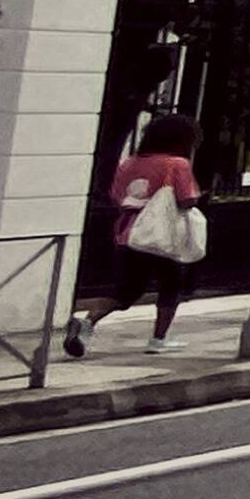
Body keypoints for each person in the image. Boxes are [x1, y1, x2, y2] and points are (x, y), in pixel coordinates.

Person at [61, 109, 205, 357]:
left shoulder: (130, 163)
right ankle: (159, 339)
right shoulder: (177, 164)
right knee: (171, 286)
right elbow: (186, 199)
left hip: (128, 233)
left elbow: (116, 196)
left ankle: (88, 320)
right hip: (164, 236)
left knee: (126, 291)